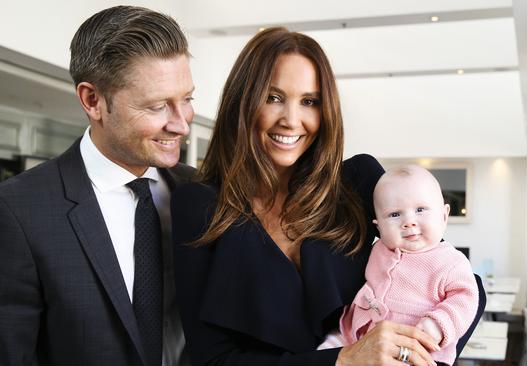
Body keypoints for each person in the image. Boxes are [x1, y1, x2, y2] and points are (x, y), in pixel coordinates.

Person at [172, 27, 448, 366]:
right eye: (272, 98)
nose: (291, 120)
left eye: (309, 102)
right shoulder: (199, 206)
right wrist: (343, 360)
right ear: (242, 102)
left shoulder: (359, 182)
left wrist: (421, 353)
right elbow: (212, 360)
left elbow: (454, 277)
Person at [0, 6, 194, 365]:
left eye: (187, 100)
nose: (181, 125)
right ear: (93, 101)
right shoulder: (18, 210)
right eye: (157, 106)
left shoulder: (202, 193)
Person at [318, 165, 479, 366]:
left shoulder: (451, 262)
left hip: (415, 347)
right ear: (379, 226)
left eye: (420, 210)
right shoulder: (378, 249)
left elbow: (466, 297)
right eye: (395, 215)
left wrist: (439, 324)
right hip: (356, 335)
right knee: (328, 349)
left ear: (444, 216)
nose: (409, 222)